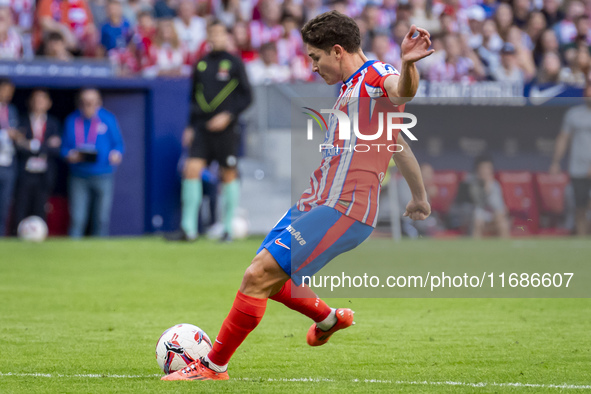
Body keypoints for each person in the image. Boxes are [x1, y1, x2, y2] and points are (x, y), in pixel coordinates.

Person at [161, 10, 433, 381]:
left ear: (337, 51)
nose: (313, 67)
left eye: (315, 58)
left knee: (258, 277)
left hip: (344, 209)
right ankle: (328, 318)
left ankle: (213, 366)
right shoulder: (349, 90)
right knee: (267, 274)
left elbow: (403, 89)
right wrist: (419, 197)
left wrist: (407, 62)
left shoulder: (375, 76)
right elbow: (398, 143)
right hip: (314, 203)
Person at [166, 20, 252, 242]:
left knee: (228, 174)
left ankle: (227, 230)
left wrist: (228, 115)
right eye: (211, 33)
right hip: (202, 128)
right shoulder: (201, 63)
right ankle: (189, 229)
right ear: (207, 36)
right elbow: (194, 97)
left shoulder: (234, 63)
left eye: (220, 33)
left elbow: (247, 96)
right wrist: (189, 125)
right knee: (191, 169)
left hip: (227, 130)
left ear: (226, 36)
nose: (215, 37)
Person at [61, 88, 124, 237]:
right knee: (77, 218)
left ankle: (101, 253)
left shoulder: (108, 119)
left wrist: (116, 154)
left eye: (91, 103)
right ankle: (73, 252)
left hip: (103, 174)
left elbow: (119, 144)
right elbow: (63, 148)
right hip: (79, 175)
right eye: (84, 103)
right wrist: (69, 155)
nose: (88, 106)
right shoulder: (72, 120)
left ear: (99, 103)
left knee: (101, 218)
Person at [11, 89, 61, 234]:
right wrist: (45, 145)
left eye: (42, 100)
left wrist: (32, 145)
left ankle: (40, 236)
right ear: (29, 102)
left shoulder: (53, 123)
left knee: (41, 208)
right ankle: (17, 237)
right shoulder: (21, 121)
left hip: (44, 174)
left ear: (48, 103)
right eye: (35, 100)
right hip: (25, 173)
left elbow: (56, 149)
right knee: (20, 207)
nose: (38, 103)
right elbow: (18, 146)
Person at [550, 84, 591, 236]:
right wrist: (555, 162)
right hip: (578, 168)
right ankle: (582, 239)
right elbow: (563, 138)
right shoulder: (573, 114)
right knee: (579, 206)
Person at [466, 155, 510, 238]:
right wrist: (484, 191)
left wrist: (489, 189)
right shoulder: (471, 184)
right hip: (474, 218)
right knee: (478, 222)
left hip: (492, 218)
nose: (485, 172)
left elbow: (499, 207)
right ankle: (475, 249)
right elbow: (475, 207)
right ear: (477, 171)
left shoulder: (495, 185)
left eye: (488, 169)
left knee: (503, 224)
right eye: (483, 169)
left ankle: (504, 250)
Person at [0, 78, 19, 236]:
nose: (8, 94)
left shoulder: (11, 110)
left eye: (10, 91)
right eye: (5, 90)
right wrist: (5, 133)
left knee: (4, 205)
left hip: (8, 164)